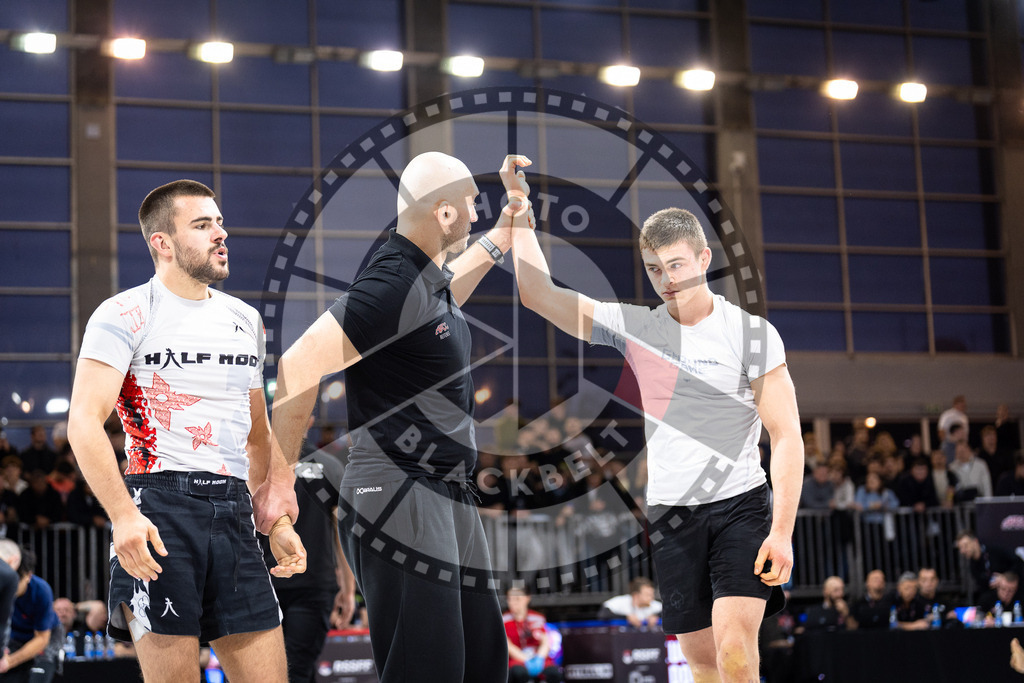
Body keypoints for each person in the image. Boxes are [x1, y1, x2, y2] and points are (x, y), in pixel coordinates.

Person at [507, 156, 802, 683]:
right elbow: (540, 295)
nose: (667, 280)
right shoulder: (637, 327)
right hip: (672, 512)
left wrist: (781, 531)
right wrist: (520, 214)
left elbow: (786, 436)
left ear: (704, 257)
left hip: (740, 506)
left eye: (677, 265)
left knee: (736, 651)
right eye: (654, 269)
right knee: (701, 661)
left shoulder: (753, 334)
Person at [267, 152, 523, 682]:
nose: (476, 214)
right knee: (428, 670)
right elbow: (297, 365)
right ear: (445, 214)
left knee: (483, 665)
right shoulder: (392, 281)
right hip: (398, 489)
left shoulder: (428, 281)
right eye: (473, 206)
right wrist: (278, 480)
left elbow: (453, 286)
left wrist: (503, 231)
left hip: (447, 491)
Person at [66, 179, 306, 682]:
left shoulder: (245, 319)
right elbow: (83, 422)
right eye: (202, 225)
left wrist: (276, 521)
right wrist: (123, 515)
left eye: (219, 222)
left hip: (234, 510)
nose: (220, 233)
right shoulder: (124, 313)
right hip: (159, 508)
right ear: (163, 243)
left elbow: (256, 431)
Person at [258, 449, 356, 683]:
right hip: (311, 586)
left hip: (264, 582)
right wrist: (348, 589)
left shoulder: (257, 462)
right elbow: (342, 532)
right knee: (297, 670)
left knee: (272, 673)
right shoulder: (330, 465)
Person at [0, 543, 60, 683]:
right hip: (14, 638)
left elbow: (42, 639)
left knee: (38, 678)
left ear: (28, 576)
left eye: (15, 582)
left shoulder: (41, 591)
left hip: (46, 638)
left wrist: (10, 661)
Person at [503, 586, 563, 683]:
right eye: (509, 599)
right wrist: (525, 659)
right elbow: (507, 645)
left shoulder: (538, 618)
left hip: (538, 659)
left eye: (517, 599)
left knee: (554, 673)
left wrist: (539, 658)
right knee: (518, 673)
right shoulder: (503, 620)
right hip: (517, 660)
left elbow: (545, 641)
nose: (512, 602)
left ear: (527, 598)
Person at [599, 577, 663, 628]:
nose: (651, 597)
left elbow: (668, 612)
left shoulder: (653, 604)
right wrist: (626, 617)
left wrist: (656, 616)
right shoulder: (622, 601)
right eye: (647, 595)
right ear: (636, 595)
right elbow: (603, 614)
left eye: (651, 594)